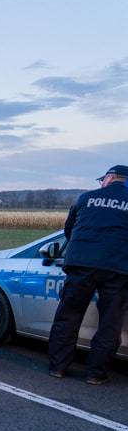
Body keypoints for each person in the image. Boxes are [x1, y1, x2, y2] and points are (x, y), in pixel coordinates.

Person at [48, 165, 128, 385]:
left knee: (68, 316)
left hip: (80, 265)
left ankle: (58, 367)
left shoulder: (85, 198)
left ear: (110, 178)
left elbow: (69, 230)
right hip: (118, 269)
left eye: (103, 179)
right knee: (110, 323)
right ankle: (95, 373)